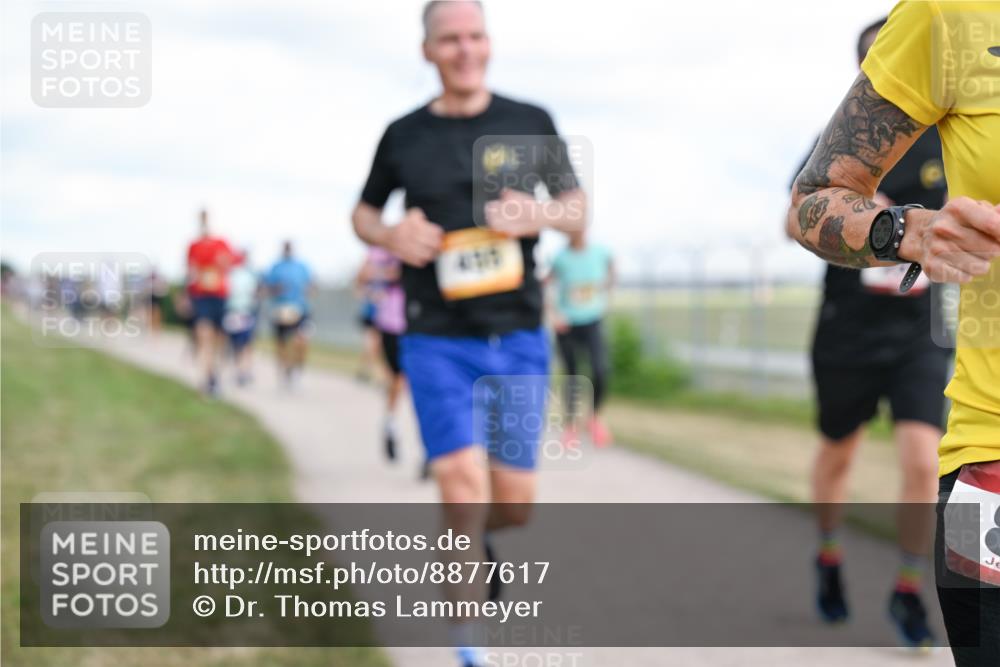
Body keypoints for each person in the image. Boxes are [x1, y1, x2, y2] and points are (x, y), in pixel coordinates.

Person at [351, 3, 586, 665]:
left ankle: (477, 535)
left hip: (516, 336)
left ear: (489, 43)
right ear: (427, 50)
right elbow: (362, 213)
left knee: (514, 504)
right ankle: (469, 648)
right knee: (459, 482)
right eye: (449, 39)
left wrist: (537, 212)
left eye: (475, 36)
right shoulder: (403, 134)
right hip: (434, 336)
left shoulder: (529, 121)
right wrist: (390, 233)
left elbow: (576, 212)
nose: (464, 49)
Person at [787, 3, 999, 664]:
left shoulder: (941, 148)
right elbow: (806, 205)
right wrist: (901, 229)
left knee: (916, 457)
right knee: (839, 452)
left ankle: (907, 590)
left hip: (917, 330)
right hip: (853, 327)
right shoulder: (946, 20)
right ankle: (828, 553)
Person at [547, 228, 615, 447]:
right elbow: (546, 285)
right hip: (567, 323)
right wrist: (553, 314)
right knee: (572, 375)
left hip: (593, 319)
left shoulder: (600, 252)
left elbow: (612, 270)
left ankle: (594, 417)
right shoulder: (560, 257)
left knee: (600, 369)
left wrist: (606, 294)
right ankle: (570, 426)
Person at [185, 209, 237, 396]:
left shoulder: (222, 243)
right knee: (204, 334)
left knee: (219, 340)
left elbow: (231, 264)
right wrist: (186, 296)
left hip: (220, 296)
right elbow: (190, 272)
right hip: (201, 296)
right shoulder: (193, 246)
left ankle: (214, 373)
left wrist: (222, 262)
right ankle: (207, 378)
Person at [366, 246, 409, 463]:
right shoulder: (381, 249)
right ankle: (390, 423)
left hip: (421, 326)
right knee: (397, 380)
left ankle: (430, 451)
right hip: (391, 325)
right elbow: (363, 277)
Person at [265, 241, 314, 388]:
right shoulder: (276, 267)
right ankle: (284, 370)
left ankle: (297, 370)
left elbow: (311, 285)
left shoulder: (302, 266)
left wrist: (308, 290)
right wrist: (277, 289)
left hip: (301, 309)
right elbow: (268, 288)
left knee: (302, 341)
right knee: (281, 343)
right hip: (281, 309)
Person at [224, 250, 260, 387]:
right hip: (237, 312)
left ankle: (243, 370)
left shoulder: (248, 274)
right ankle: (242, 370)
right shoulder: (233, 274)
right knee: (241, 344)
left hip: (243, 312)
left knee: (243, 344)